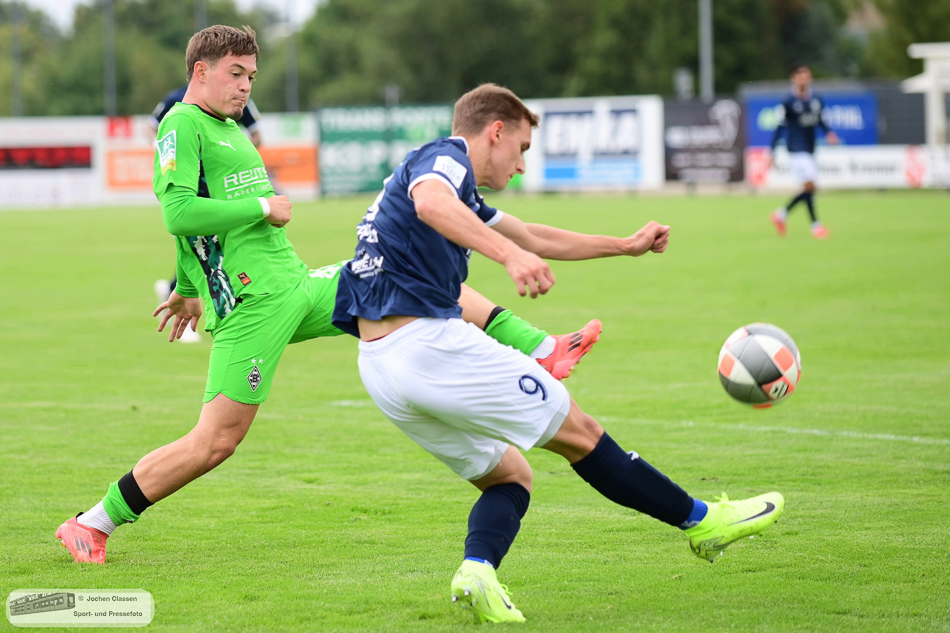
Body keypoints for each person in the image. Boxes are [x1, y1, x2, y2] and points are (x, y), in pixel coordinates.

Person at [54, 26, 600, 566]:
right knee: (215, 442)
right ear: (201, 71)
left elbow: (200, 224)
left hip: (296, 285)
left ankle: (541, 348)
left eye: (252, 77)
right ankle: (92, 522)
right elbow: (179, 214)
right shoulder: (181, 124)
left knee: (404, 273)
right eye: (236, 74)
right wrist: (261, 210)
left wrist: (189, 288)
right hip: (253, 306)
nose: (245, 87)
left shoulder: (229, 128)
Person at [332, 84, 786, 623]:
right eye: (521, 148)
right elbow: (433, 205)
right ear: (495, 132)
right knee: (583, 435)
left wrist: (625, 246)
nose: (522, 164)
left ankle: (477, 572)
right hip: (430, 347)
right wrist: (508, 257)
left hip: (380, 366)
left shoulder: (455, 190)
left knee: (510, 477)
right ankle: (705, 522)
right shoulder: (444, 158)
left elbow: (534, 236)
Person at [149, 84, 264, 342]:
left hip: (225, 188)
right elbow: (153, 129)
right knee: (200, 242)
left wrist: (237, 159)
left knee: (216, 247)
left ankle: (178, 291)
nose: (244, 83)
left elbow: (256, 133)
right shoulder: (177, 101)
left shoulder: (235, 95)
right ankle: (186, 305)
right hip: (193, 186)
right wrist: (172, 155)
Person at [768, 63, 839, 239]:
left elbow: (821, 120)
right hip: (796, 149)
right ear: (793, 79)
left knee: (809, 189)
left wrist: (829, 133)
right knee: (810, 186)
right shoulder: (787, 101)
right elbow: (779, 128)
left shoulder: (816, 99)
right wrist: (772, 151)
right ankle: (816, 226)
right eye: (800, 76)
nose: (803, 80)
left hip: (810, 148)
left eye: (806, 76)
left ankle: (781, 215)